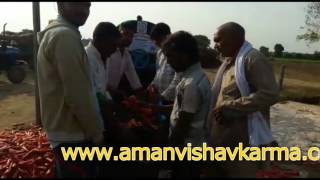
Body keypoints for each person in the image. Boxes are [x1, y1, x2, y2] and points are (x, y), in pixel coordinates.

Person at [205, 22, 280, 178]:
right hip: (222, 139)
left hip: (243, 143)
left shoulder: (253, 59)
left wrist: (231, 107)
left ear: (234, 39)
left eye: (218, 40)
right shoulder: (227, 62)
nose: (215, 45)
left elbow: (270, 93)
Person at [37, 2, 103, 178]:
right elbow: (78, 96)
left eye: (87, 5)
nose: (83, 11)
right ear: (60, 4)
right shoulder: (64, 37)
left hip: (67, 134)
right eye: (76, 4)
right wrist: (97, 133)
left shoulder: (61, 33)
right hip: (73, 136)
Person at [161, 31, 212, 178]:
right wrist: (154, 109)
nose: (169, 62)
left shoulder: (191, 84)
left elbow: (183, 123)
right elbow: (181, 109)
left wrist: (167, 154)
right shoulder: (194, 76)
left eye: (170, 56)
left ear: (184, 55)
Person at [106, 22, 143, 102]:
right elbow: (101, 78)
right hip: (101, 94)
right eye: (125, 34)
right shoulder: (108, 51)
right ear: (118, 34)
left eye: (131, 36)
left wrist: (142, 99)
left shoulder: (126, 54)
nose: (128, 38)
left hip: (111, 96)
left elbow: (133, 78)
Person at [148, 22, 181, 105]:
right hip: (160, 97)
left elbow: (177, 79)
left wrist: (163, 96)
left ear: (167, 36)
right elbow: (158, 73)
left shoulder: (178, 52)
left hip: (173, 99)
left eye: (158, 39)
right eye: (154, 40)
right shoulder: (159, 52)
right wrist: (152, 85)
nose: (155, 43)